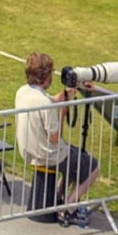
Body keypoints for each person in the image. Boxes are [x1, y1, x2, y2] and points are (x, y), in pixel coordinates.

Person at [15, 53, 99, 225]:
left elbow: (50, 99)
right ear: (46, 76)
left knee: (75, 159)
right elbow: (55, 138)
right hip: (50, 154)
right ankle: (69, 208)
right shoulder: (44, 105)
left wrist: (67, 94)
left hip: (30, 151)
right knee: (93, 167)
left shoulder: (23, 92)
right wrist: (63, 111)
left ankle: (59, 198)